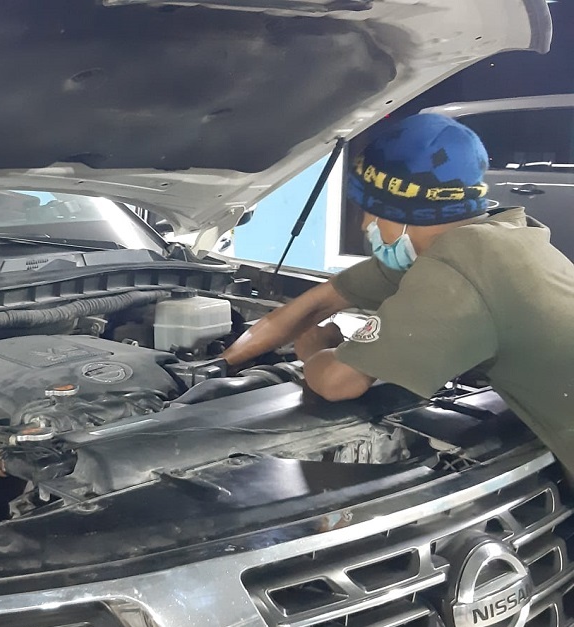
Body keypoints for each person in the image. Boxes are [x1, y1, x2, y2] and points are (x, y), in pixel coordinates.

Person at [221, 113, 574, 470]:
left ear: (405, 211)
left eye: (371, 211)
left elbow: (338, 383)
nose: (365, 224)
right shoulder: (493, 238)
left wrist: (314, 352)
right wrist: (223, 362)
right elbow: (319, 302)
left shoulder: (455, 272)